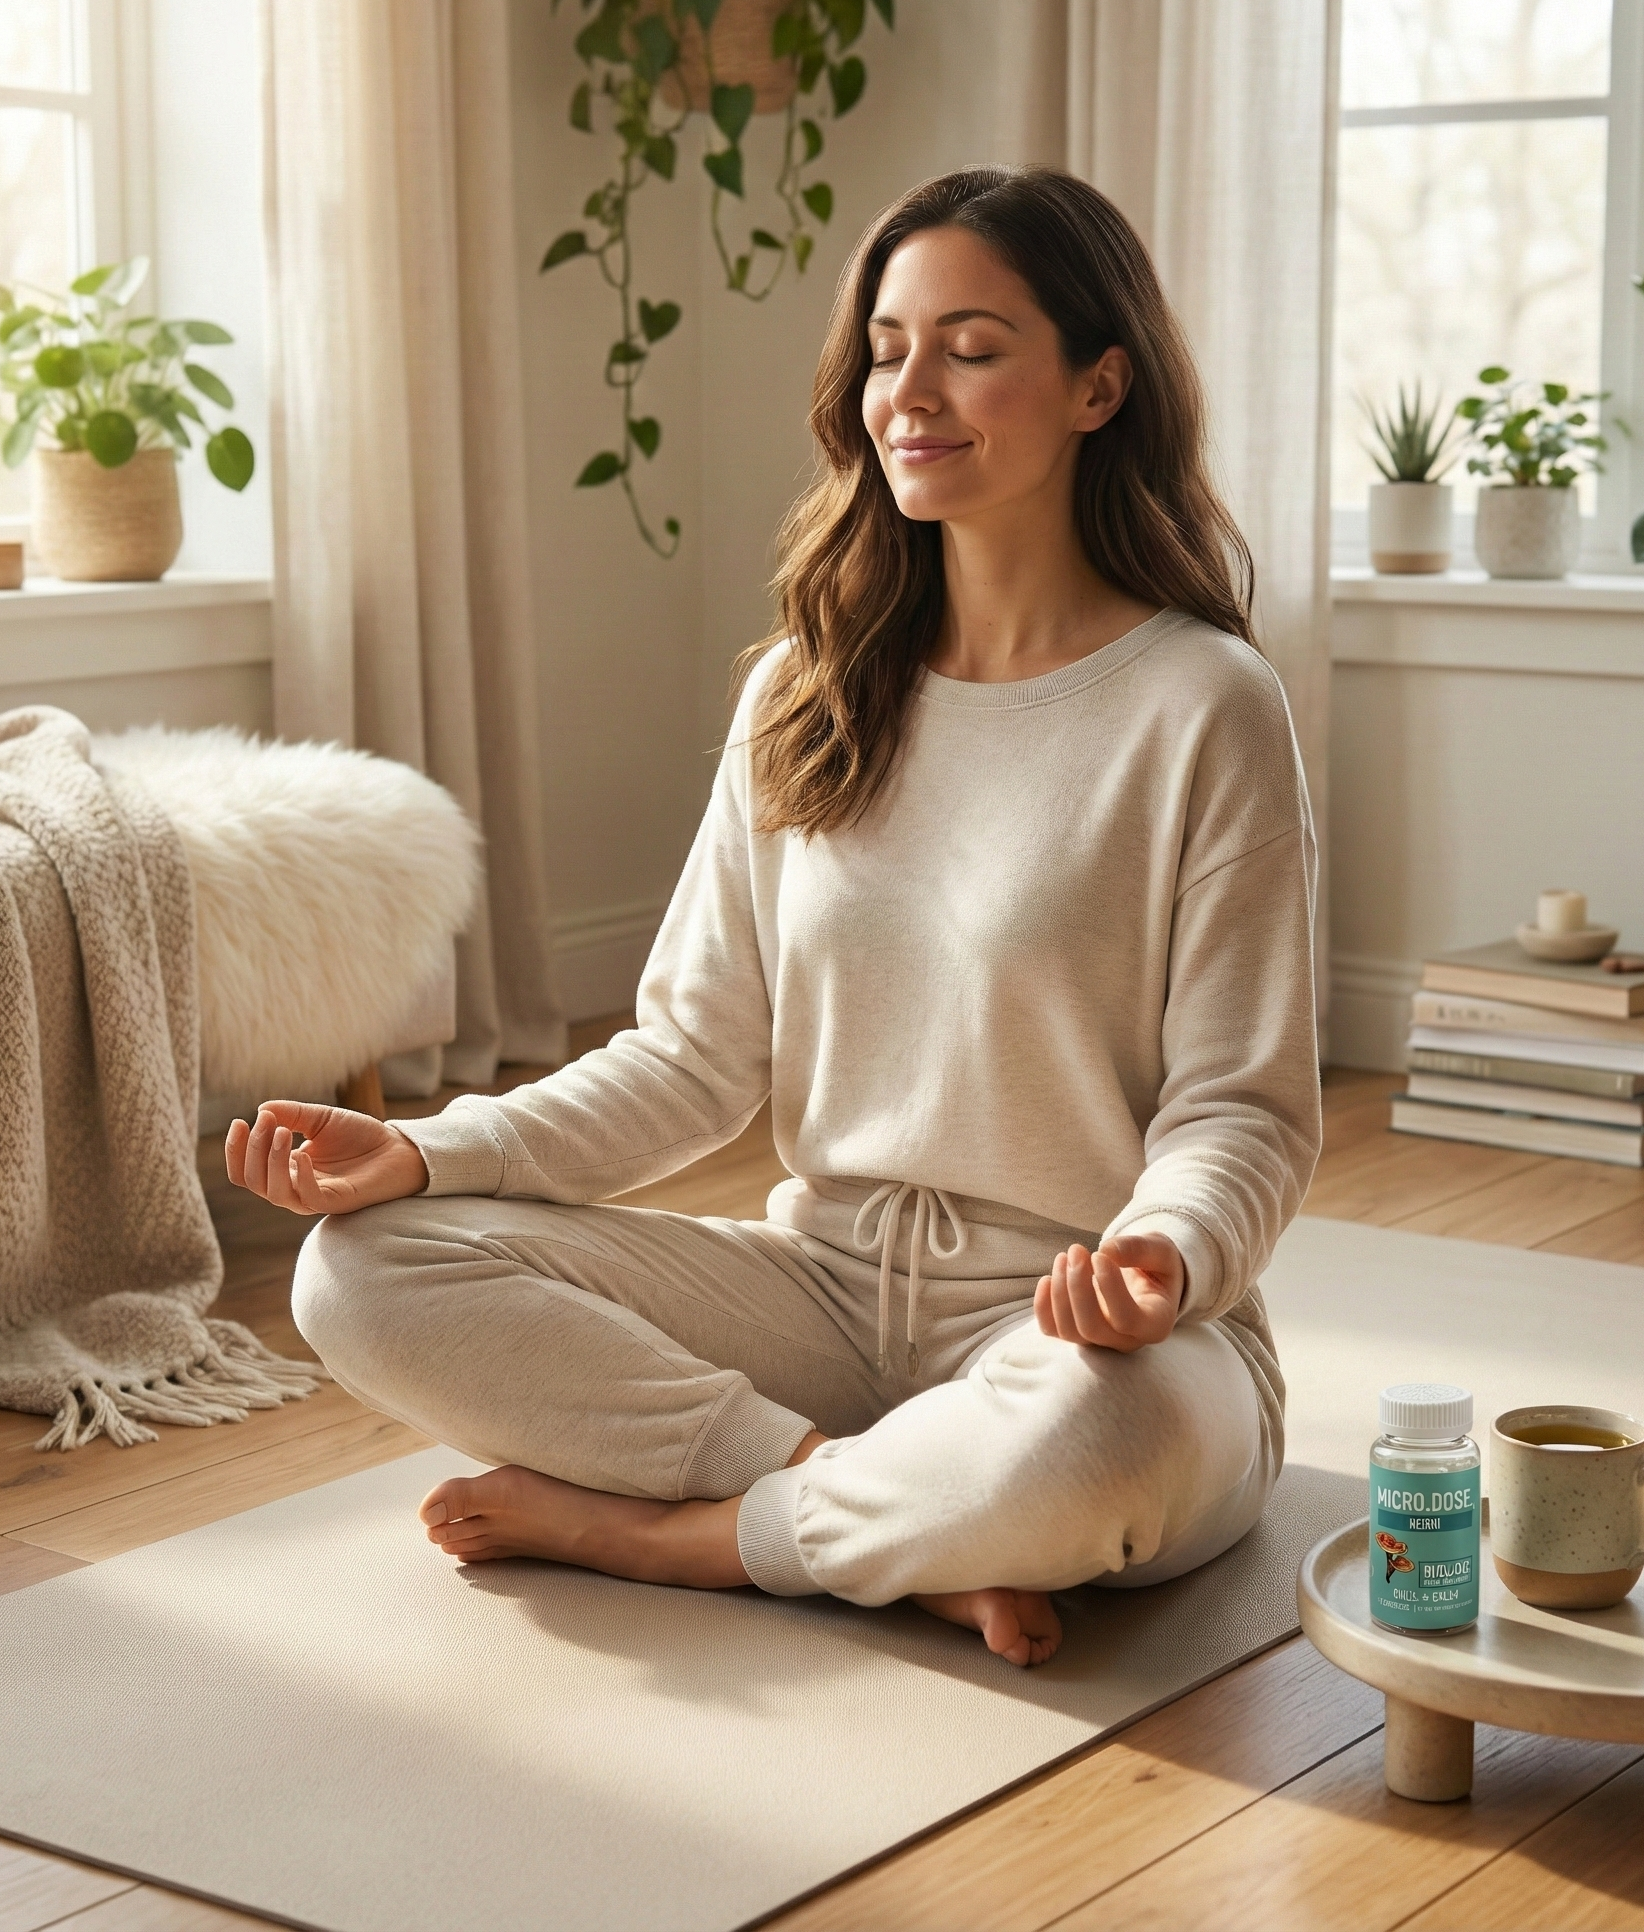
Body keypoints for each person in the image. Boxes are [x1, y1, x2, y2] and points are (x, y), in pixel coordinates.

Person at [226, 165, 1319, 1668]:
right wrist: (425, 1152)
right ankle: (851, 1505)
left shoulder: (1205, 705)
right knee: (358, 1269)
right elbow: (690, 1058)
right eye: (886, 346)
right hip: (825, 1298)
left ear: (1098, 385)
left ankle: (681, 1536)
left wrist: (1167, 1259)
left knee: (1103, 1452)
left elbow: (1244, 1111)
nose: (910, 390)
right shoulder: (804, 687)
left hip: (1084, 1331)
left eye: (975, 346)